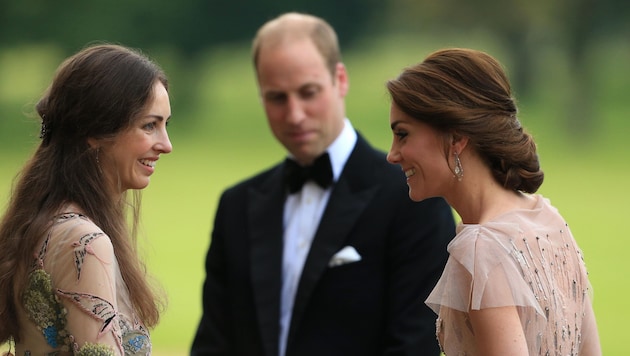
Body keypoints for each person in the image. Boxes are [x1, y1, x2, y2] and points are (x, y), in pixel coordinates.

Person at [190, 12, 455, 356]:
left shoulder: (413, 198)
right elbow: (213, 343)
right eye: (276, 98)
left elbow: (416, 345)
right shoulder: (236, 205)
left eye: (308, 92)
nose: (295, 114)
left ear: (340, 79)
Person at [385, 47, 601, 355]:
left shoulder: (481, 247)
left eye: (403, 135)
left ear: (456, 137)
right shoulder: (547, 218)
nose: (392, 155)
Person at [0, 43, 173, 355]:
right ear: (96, 132)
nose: (166, 144)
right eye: (150, 125)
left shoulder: (47, 221)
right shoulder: (84, 241)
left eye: (165, 125)